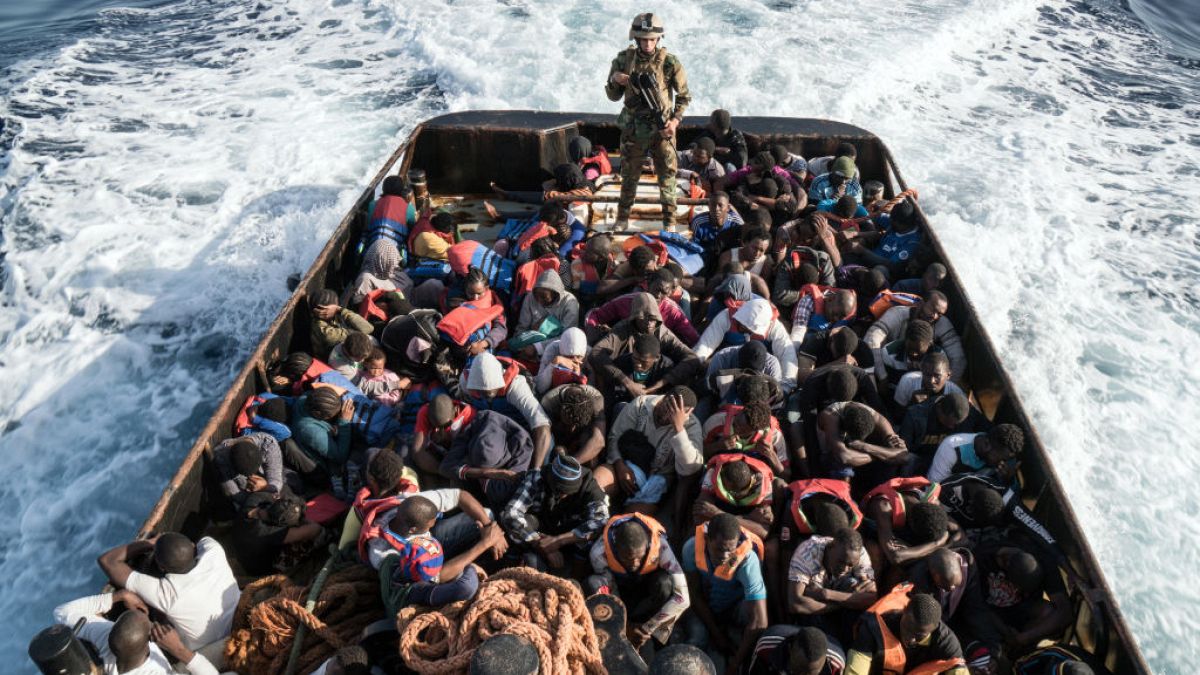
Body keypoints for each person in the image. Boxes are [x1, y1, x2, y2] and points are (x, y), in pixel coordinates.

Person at [605, 12, 691, 231]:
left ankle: (669, 222)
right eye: (644, 39)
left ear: (658, 39)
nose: (648, 43)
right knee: (629, 176)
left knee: (667, 177)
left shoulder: (670, 63)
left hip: (662, 129)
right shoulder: (624, 60)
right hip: (634, 129)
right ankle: (623, 218)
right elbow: (613, 96)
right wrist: (616, 79)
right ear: (636, 38)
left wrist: (674, 122)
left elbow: (683, 97)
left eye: (652, 39)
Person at [97, 532, 240, 655]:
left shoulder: (168, 594)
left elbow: (108, 561)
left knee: (159, 616)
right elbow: (196, 543)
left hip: (208, 649)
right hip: (239, 618)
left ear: (161, 567)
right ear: (191, 545)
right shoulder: (213, 550)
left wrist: (149, 543)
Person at [375, 495, 508, 614]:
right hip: (411, 598)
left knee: (485, 514)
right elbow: (465, 587)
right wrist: (471, 566)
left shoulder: (391, 560)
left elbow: (439, 575)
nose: (431, 529)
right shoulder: (417, 592)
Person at [681, 513, 769, 674]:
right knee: (696, 641)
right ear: (707, 539)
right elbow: (694, 592)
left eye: (730, 550)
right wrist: (716, 633)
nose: (724, 557)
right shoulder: (690, 549)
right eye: (719, 549)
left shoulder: (748, 561)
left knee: (748, 644)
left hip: (736, 608)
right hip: (705, 606)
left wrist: (734, 665)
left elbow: (760, 622)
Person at [586, 512, 690, 648]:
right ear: (616, 549)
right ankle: (615, 634)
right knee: (593, 583)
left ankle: (658, 642)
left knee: (665, 583)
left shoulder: (661, 546)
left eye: (639, 558)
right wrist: (625, 626)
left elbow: (683, 598)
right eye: (628, 558)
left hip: (650, 595)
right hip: (621, 590)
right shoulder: (599, 552)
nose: (635, 563)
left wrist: (648, 628)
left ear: (647, 545)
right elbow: (610, 591)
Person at [51, 593, 220, 674]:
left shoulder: (102, 632)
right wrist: (179, 650)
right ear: (149, 641)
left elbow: (62, 612)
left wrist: (117, 596)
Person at [597, 388, 704, 512]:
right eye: (667, 407)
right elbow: (615, 436)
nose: (668, 415)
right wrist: (619, 465)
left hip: (655, 482)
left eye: (675, 413)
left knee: (633, 523)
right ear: (664, 398)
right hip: (622, 466)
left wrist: (679, 429)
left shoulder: (692, 425)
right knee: (598, 482)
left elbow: (690, 468)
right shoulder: (641, 404)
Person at [500, 452, 609, 571]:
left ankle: (576, 574)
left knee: (589, 536)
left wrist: (559, 541)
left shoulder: (590, 489)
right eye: (557, 490)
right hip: (540, 530)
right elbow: (511, 513)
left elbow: (601, 521)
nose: (561, 495)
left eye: (567, 492)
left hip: (569, 534)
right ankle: (511, 564)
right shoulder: (537, 478)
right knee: (519, 525)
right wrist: (539, 542)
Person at [589, 292, 703, 395]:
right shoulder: (622, 330)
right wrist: (627, 382)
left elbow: (692, 358)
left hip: (655, 380)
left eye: (653, 319)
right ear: (635, 318)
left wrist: (662, 383)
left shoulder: (664, 334)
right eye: (644, 318)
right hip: (623, 379)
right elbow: (596, 353)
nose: (649, 323)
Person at [844, 585, 968, 675]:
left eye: (920, 635)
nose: (911, 639)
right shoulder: (873, 627)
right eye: (908, 629)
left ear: (934, 629)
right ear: (903, 613)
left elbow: (960, 671)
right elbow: (855, 671)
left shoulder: (946, 641)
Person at [460, 352, 552, 467]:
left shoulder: (516, 386)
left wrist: (535, 469)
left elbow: (542, 425)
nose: (482, 396)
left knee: (547, 445)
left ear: (500, 383)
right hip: (492, 427)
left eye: (488, 393)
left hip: (519, 427)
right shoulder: (466, 383)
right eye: (479, 392)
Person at [693, 298, 800, 393]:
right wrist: (691, 365)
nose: (748, 333)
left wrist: (786, 388)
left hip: (758, 370)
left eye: (752, 331)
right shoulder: (725, 317)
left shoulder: (774, 327)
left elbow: (787, 355)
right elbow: (705, 346)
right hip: (729, 363)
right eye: (744, 328)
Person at [440, 409, 535, 508]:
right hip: (482, 469)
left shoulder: (523, 445)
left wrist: (487, 477)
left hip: (500, 472)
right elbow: (445, 467)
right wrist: (483, 473)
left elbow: (502, 492)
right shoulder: (481, 420)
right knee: (456, 480)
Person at [864, 291, 966, 382]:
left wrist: (943, 385)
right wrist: (882, 376)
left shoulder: (943, 324)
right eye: (932, 309)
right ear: (921, 303)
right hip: (890, 368)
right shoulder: (898, 313)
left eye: (939, 314)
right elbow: (872, 339)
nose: (934, 316)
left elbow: (958, 358)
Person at [785, 528, 877, 621]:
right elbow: (795, 603)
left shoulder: (860, 554)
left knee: (852, 583)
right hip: (815, 613)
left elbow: (874, 597)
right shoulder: (807, 553)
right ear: (830, 548)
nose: (844, 569)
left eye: (850, 565)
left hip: (831, 601)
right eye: (840, 562)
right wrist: (848, 601)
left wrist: (827, 594)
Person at [231, 493, 323, 576]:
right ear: (279, 525)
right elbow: (316, 529)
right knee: (316, 536)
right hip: (257, 568)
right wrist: (301, 519)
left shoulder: (256, 499)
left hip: (243, 549)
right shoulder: (269, 532)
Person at [693, 452, 778, 538]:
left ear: (752, 483)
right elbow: (700, 515)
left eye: (737, 493)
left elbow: (763, 531)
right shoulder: (713, 473)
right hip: (727, 509)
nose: (734, 496)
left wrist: (717, 513)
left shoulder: (764, 485)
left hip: (730, 512)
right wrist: (748, 518)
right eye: (729, 491)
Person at [927, 424, 1025, 484]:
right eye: (1000, 459)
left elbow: (1010, 499)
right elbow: (932, 489)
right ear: (986, 445)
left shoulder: (1005, 459)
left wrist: (1008, 480)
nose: (1002, 463)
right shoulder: (952, 448)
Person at [211, 433, 288, 509]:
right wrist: (255, 497)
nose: (252, 476)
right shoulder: (221, 459)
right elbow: (237, 496)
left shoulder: (268, 443)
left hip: (265, 481)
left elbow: (276, 480)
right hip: (247, 492)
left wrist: (265, 487)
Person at [542, 382, 608, 463]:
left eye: (576, 425)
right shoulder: (548, 403)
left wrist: (572, 463)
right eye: (569, 423)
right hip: (559, 435)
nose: (573, 428)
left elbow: (599, 440)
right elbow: (547, 433)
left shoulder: (595, 397)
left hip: (583, 432)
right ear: (562, 409)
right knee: (558, 450)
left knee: (591, 453)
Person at [602, 333, 673, 408]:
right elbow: (612, 396)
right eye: (635, 359)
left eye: (644, 362)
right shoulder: (621, 363)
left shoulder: (666, 367)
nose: (638, 365)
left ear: (657, 358)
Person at [747, 625, 846, 675]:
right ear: (790, 649)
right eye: (798, 671)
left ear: (825, 661)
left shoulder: (836, 665)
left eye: (810, 674)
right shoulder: (766, 649)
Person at [308, 289, 373, 360]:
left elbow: (369, 328)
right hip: (333, 360)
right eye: (333, 307)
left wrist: (340, 309)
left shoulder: (336, 315)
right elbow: (366, 330)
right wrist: (340, 310)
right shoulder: (321, 329)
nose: (336, 307)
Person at [515, 267, 578, 337]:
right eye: (536, 296)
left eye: (544, 297)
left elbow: (566, 335)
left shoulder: (570, 303)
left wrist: (538, 346)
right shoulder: (530, 297)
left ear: (555, 294)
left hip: (557, 343)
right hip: (530, 340)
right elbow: (522, 327)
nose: (539, 300)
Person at [534, 326, 590, 395]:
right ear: (561, 352)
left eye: (578, 357)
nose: (574, 360)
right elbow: (540, 387)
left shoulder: (589, 353)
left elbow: (591, 391)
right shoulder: (552, 349)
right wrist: (553, 363)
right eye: (569, 357)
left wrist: (578, 375)